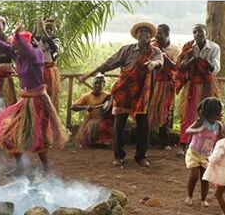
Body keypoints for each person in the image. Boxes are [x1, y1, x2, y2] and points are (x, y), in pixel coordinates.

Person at [0, 17, 67, 175]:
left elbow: (24, 47)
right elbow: (1, 45)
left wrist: (17, 33)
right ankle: (20, 166)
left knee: (38, 134)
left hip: (39, 101)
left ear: (25, 45)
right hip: (24, 101)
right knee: (10, 133)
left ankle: (46, 168)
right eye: (13, 46)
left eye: (16, 46)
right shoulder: (17, 55)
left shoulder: (36, 55)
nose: (13, 49)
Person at [82, 21, 163, 167]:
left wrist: (153, 64)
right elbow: (110, 63)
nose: (143, 35)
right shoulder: (127, 50)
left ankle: (141, 156)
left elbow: (159, 62)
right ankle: (118, 156)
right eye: (140, 33)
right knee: (118, 124)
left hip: (142, 94)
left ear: (150, 36)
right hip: (124, 92)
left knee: (143, 125)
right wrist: (91, 73)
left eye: (146, 33)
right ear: (136, 36)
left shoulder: (155, 52)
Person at [176, 24, 221, 147]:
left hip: (207, 84)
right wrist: (192, 59)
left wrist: (204, 61)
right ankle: (185, 142)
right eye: (195, 32)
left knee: (208, 112)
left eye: (200, 32)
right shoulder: (188, 47)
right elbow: (181, 66)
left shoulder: (213, 47)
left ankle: (208, 142)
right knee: (188, 113)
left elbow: (215, 69)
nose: (197, 34)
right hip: (192, 85)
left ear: (206, 33)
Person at [184, 97, 223, 207]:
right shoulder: (201, 121)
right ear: (212, 114)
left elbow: (221, 138)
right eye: (220, 112)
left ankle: (203, 200)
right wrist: (197, 130)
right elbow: (188, 130)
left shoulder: (218, 125)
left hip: (207, 155)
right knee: (194, 176)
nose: (221, 114)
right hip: (194, 153)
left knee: (205, 178)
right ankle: (189, 196)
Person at [148, 23, 180, 149]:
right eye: (156, 34)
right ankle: (147, 139)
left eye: (160, 34)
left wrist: (165, 58)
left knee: (164, 111)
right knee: (149, 109)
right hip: (151, 82)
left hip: (166, 84)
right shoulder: (152, 46)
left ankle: (164, 142)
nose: (157, 37)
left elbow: (177, 67)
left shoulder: (175, 49)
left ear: (167, 35)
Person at [71, 73, 113, 148]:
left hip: (104, 118)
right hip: (91, 119)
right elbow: (73, 107)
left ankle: (103, 142)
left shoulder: (108, 96)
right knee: (88, 132)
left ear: (103, 85)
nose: (97, 85)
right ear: (93, 84)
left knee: (105, 125)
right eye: (95, 83)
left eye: (100, 83)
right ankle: (93, 143)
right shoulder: (86, 96)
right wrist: (85, 107)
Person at [32, 18, 62, 110]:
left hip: (50, 72)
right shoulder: (37, 39)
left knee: (49, 94)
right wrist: (35, 31)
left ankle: (50, 115)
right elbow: (28, 44)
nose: (48, 30)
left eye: (50, 29)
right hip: (38, 71)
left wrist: (44, 31)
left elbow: (54, 48)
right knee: (37, 96)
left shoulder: (55, 40)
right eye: (46, 28)